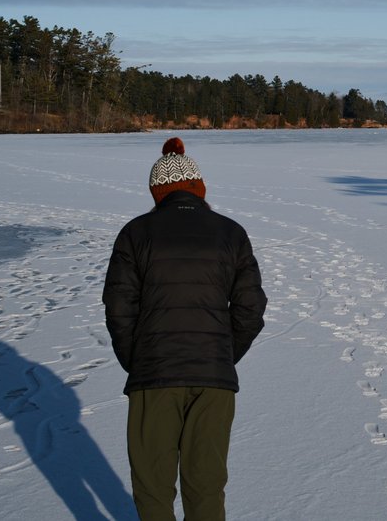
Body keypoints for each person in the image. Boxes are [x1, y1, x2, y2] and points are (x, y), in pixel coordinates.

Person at [103, 137, 267, 521]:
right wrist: (221, 356)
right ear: (199, 188)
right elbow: (251, 308)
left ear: (157, 191)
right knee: (206, 486)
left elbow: (118, 307)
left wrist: (139, 360)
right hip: (213, 380)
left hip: (154, 375)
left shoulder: (135, 233)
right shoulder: (231, 233)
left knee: (153, 489)